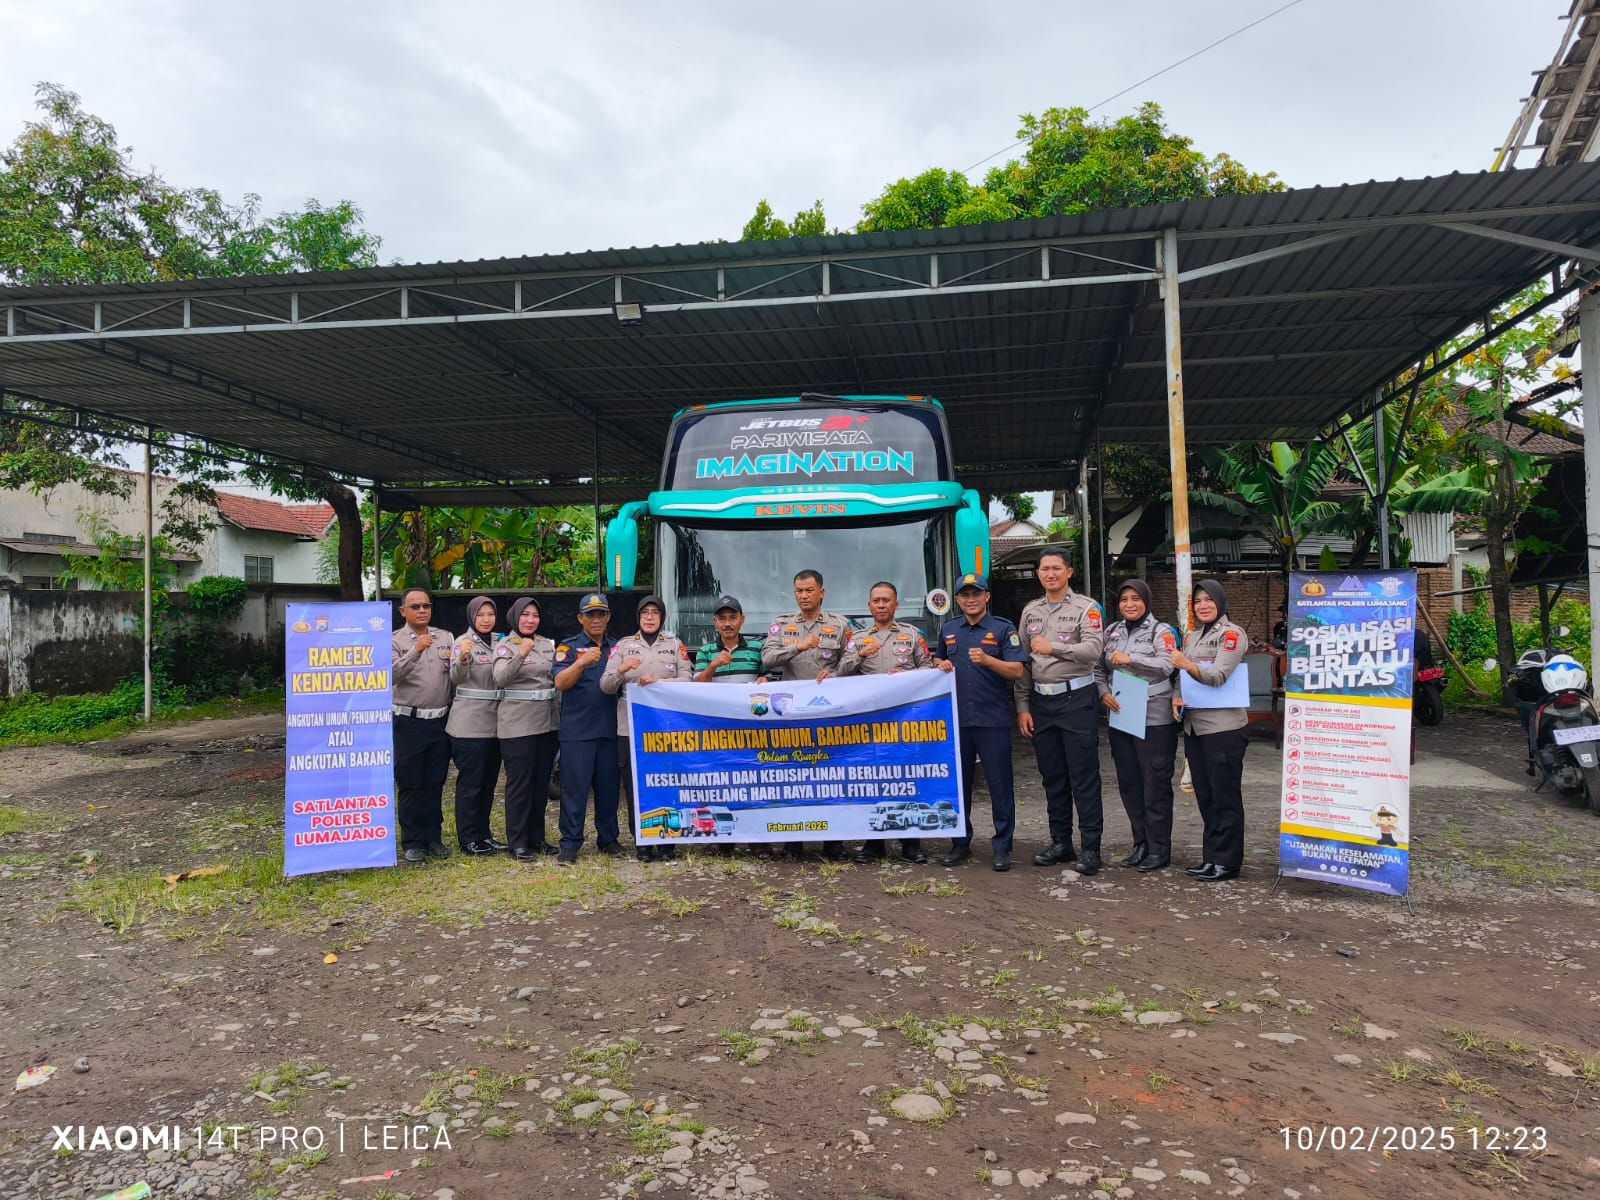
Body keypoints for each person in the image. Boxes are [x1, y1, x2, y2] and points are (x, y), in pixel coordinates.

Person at [1015, 549, 1106, 875]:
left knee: (1083, 777)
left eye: (1056, 568)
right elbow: (1024, 663)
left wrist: (1053, 647)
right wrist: (1023, 706)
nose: (1050, 574)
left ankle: (1091, 848)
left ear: (1069, 571)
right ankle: (1061, 842)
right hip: (1042, 703)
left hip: (1077, 700)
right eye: (1044, 569)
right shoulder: (1030, 612)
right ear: (1038, 574)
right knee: (1053, 777)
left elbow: (1094, 650)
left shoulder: (1087, 608)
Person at [833, 581, 935, 864]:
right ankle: (873, 843)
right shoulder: (858, 638)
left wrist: (905, 677)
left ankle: (911, 843)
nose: (881, 605)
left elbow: (928, 671)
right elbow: (839, 671)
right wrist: (860, 656)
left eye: (886, 600)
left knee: (905, 781)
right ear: (869, 606)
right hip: (870, 725)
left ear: (895, 605)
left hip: (904, 722)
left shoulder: (913, 635)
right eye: (876, 600)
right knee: (873, 781)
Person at [933, 573, 1026, 871]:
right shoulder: (948, 629)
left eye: (977, 594)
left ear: (987, 597)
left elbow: (1016, 671)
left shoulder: (1003, 629)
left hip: (992, 720)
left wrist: (988, 661)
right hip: (956, 721)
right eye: (965, 595)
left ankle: (1002, 847)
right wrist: (940, 664)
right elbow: (936, 660)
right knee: (958, 786)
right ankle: (960, 843)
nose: (970, 600)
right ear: (957, 600)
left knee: (1000, 785)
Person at [761, 568, 854, 861]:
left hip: (829, 714)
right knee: (793, 775)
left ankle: (833, 841)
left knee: (832, 775)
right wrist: (796, 646)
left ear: (821, 592)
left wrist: (836, 673)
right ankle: (793, 840)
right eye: (799, 591)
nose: (804, 596)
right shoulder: (781, 624)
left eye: (809, 590)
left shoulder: (840, 625)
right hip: (792, 715)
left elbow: (852, 660)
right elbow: (767, 658)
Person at [1095, 579, 1179, 873]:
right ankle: (1140, 844)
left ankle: (1159, 849)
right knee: (1130, 783)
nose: (1129, 604)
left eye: (1135, 599)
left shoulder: (1162, 631)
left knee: (1154, 783)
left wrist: (1132, 658)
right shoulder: (1112, 632)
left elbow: (1168, 665)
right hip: (1121, 716)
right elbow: (1098, 668)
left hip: (1154, 718)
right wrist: (1103, 692)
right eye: (1124, 599)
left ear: (1147, 600)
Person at [1171, 578, 1250, 882]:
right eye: (1198, 602)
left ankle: (1228, 862)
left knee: (1225, 795)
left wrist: (1185, 664)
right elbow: (1183, 676)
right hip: (1195, 728)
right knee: (1205, 795)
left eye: (1209, 600)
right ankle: (1211, 857)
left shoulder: (1231, 635)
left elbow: (1218, 676)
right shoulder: (1192, 636)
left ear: (1220, 602)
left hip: (1224, 729)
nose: (1203, 606)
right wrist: (1177, 694)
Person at [602, 593, 692, 862]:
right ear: (638, 618)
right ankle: (642, 840)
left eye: (655, 612)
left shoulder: (675, 645)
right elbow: (605, 685)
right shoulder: (624, 646)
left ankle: (667, 843)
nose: (650, 617)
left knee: (668, 782)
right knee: (635, 786)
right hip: (630, 727)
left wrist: (660, 685)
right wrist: (622, 671)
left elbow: (688, 679)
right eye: (644, 613)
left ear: (662, 617)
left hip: (666, 727)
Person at [552, 593, 622, 866]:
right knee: (574, 791)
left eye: (601, 614)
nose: (596, 619)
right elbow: (560, 683)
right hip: (577, 732)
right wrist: (581, 662)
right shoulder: (568, 648)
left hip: (609, 730)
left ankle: (608, 839)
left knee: (608, 790)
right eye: (590, 615)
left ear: (608, 617)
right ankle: (570, 844)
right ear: (581, 618)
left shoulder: (618, 648)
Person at [492, 596, 559, 861]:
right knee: (520, 784)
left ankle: (536, 838)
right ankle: (518, 842)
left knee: (540, 784)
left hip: (546, 722)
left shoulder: (546, 645)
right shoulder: (505, 645)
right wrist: (521, 653)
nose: (530, 620)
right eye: (525, 615)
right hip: (517, 725)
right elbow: (499, 678)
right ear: (514, 617)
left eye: (535, 615)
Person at [391, 587, 454, 864]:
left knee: (435, 782)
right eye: (414, 607)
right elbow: (389, 675)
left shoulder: (446, 637)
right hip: (409, 722)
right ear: (403, 611)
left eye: (425, 606)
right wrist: (415, 650)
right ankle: (413, 841)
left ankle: (433, 838)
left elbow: (453, 675)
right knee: (410, 783)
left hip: (440, 721)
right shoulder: (394, 641)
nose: (421, 611)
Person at [448, 595, 505, 855]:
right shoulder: (463, 642)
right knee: (471, 784)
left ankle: (485, 834)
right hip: (469, 726)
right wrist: (462, 659)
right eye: (481, 615)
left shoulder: (499, 642)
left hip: (495, 725)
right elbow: (455, 678)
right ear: (472, 616)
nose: (486, 619)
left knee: (488, 783)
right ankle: (468, 838)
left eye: (490, 614)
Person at [694, 595, 767, 684]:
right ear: (715, 622)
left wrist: (764, 679)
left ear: (742, 619)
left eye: (733, 618)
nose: (727, 624)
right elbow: (697, 685)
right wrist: (712, 666)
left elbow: (768, 677)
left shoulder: (758, 648)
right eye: (722, 618)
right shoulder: (704, 651)